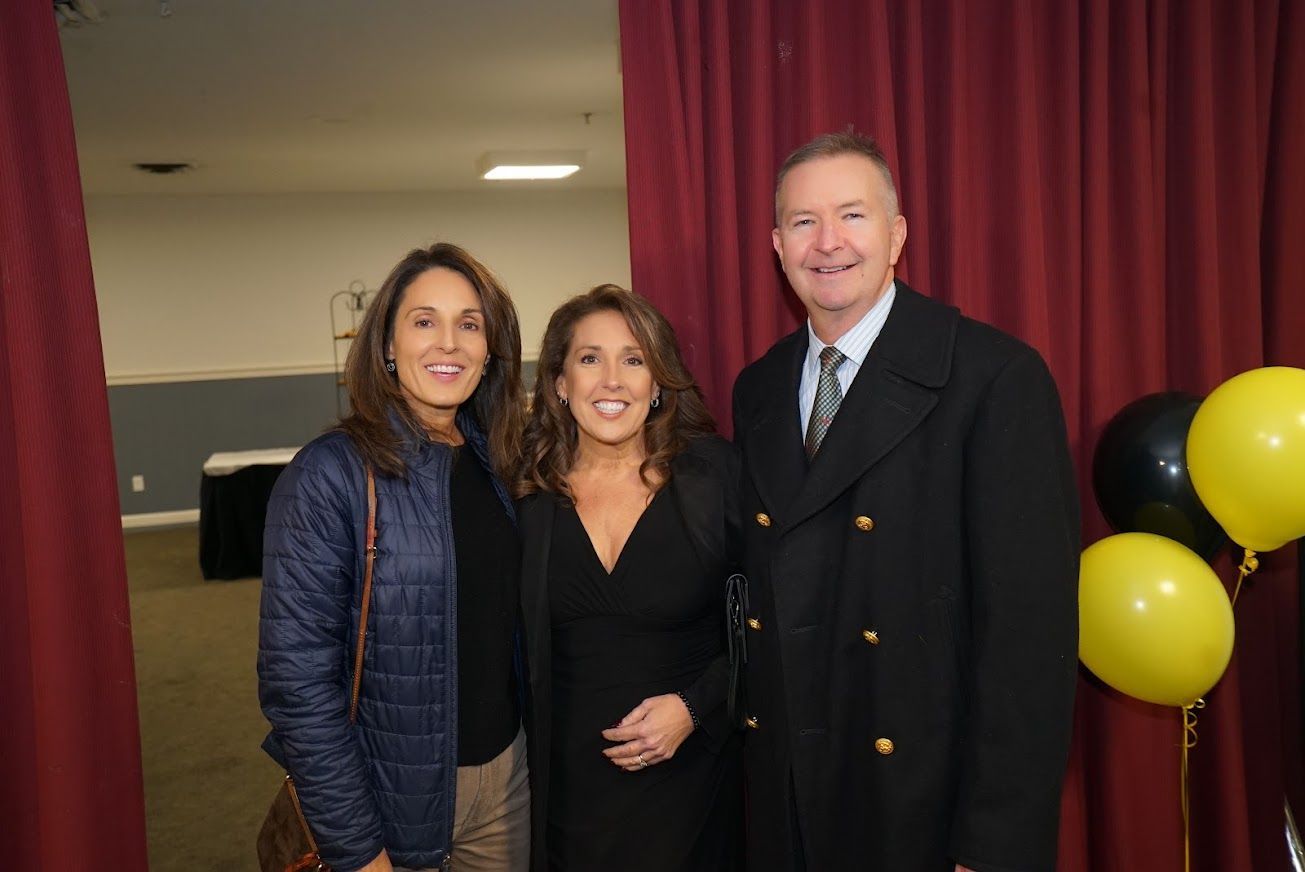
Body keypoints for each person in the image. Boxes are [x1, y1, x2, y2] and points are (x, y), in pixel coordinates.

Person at [731, 131, 1080, 871]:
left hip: (924, 806)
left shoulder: (993, 376)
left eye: (851, 216)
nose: (827, 243)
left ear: (896, 236)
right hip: (790, 803)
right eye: (802, 222)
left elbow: (1028, 638)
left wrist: (994, 844)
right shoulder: (757, 389)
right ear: (775, 244)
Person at [258, 242, 530, 872]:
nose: (449, 343)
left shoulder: (503, 462)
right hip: (388, 801)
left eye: (470, 324)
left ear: (490, 351)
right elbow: (297, 685)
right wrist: (355, 848)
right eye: (424, 321)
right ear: (386, 343)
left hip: (509, 786)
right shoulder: (330, 474)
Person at [515, 284, 743, 872]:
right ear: (561, 384)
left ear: (659, 382)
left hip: (695, 782)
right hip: (567, 793)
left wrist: (696, 706)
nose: (612, 379)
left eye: (633, 359)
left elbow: (769, 618)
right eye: (590, 359)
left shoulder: (715, 477)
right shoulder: (524, 493)